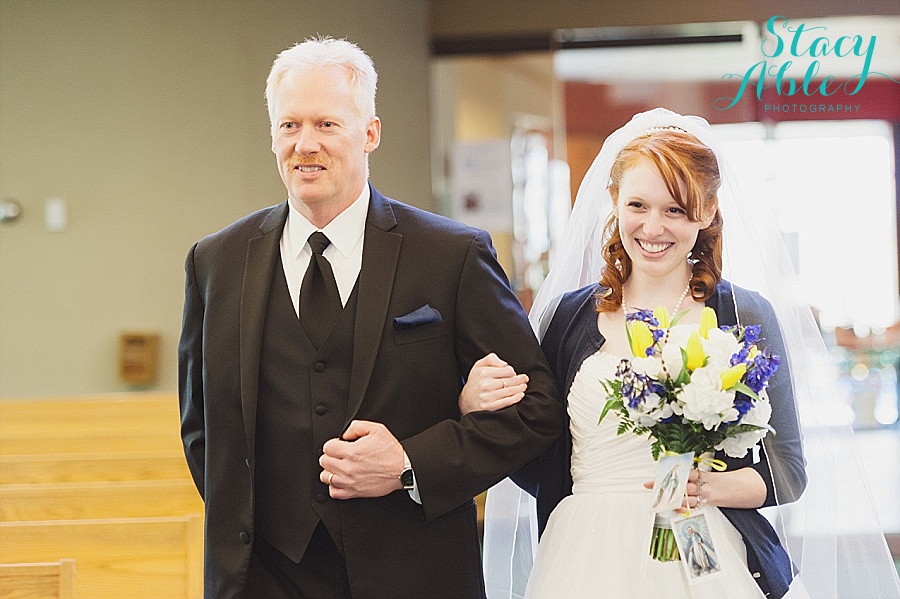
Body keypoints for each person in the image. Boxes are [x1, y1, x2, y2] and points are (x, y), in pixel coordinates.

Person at [178, 37, 564, 599]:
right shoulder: (215, 261)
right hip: (262, 576)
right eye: (289, 126)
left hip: (414, 570)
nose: (305, 145)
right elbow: (200, 429)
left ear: (370, 133)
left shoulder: (450, 254)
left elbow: (536, 408)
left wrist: (411, 463)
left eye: (327, 125)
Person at [461, 109, 809, 599]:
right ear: (614, 202)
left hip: (703, 544)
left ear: (706, 212)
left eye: (675, 209)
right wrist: (479, 409)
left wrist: (704, 488)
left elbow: (788, 472)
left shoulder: (744, 312)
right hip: (585, 554)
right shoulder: (567, 318)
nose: (653, 227)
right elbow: (532, 454)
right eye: (638, 205)